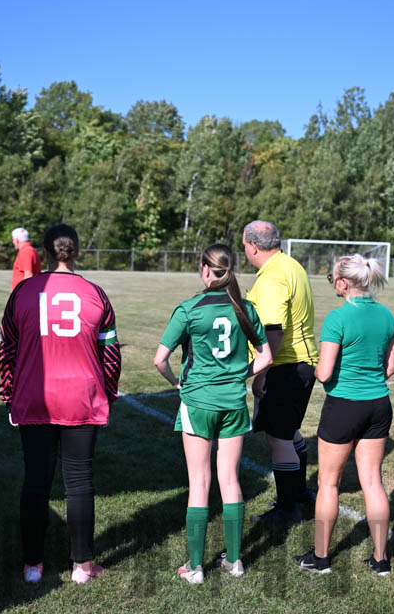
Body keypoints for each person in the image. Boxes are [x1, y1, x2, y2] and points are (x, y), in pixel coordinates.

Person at [0, 224, 121, 585]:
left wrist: (9, 395)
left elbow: (8, 349)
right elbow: (110, 354)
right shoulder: (95, 294)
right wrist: (107, 395)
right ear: (77, 251)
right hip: (82, 397)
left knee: (36, 481)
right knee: (80, 481)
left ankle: (32, 566)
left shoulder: (23, 292)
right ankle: (82, 566)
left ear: (47, 254)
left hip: (36, 396)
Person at [153, 244, 273, 584]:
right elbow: (266, 358)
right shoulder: (244, 308)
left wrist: (177, 382)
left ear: (206, 270)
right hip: (234, 403)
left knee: (199, 483)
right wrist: (240, 374)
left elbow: (159, 359)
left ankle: (195, 568)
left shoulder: (189, 309)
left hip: (198, 403)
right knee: (231, 480)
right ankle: (234, 562)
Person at [294, 254, 394, 576]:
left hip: (344, 407)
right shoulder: (388, 316)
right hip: (379, 405)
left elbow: (324, 374)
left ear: (343, 283)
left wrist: (311, 366)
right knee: (373, 482)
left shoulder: (337, 319)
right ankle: (381, 560)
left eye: (331, 280)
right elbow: (390, 368)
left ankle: (321, 557)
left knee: (328, 483)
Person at [241, 220, 319, 524]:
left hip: (287, 365)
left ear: (253, 246)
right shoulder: (291, 266)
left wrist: (260, 373)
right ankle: (299, 493)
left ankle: (288, 508)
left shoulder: (272, 277)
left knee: (279, 439)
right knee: (290, 431)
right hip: (300, 363)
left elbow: (273, 331)